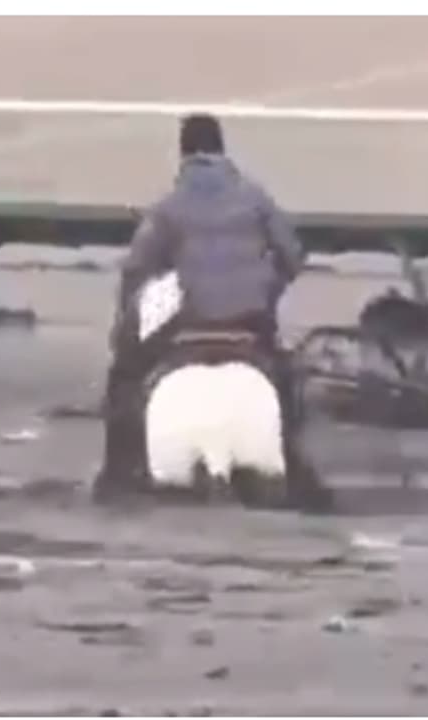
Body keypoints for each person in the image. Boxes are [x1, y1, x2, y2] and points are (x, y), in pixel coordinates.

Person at [92, 113, 306, 503]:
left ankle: (115, 475)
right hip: (249, 324)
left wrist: (126, 325)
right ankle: (293, 457)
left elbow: (137, 270)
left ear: (183, 153)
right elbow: (292, 256)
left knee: (124, 381)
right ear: (222, 150)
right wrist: (266, 291)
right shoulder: (257, 199)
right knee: (288, 380)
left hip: (188, 325)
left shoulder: (167, 209)